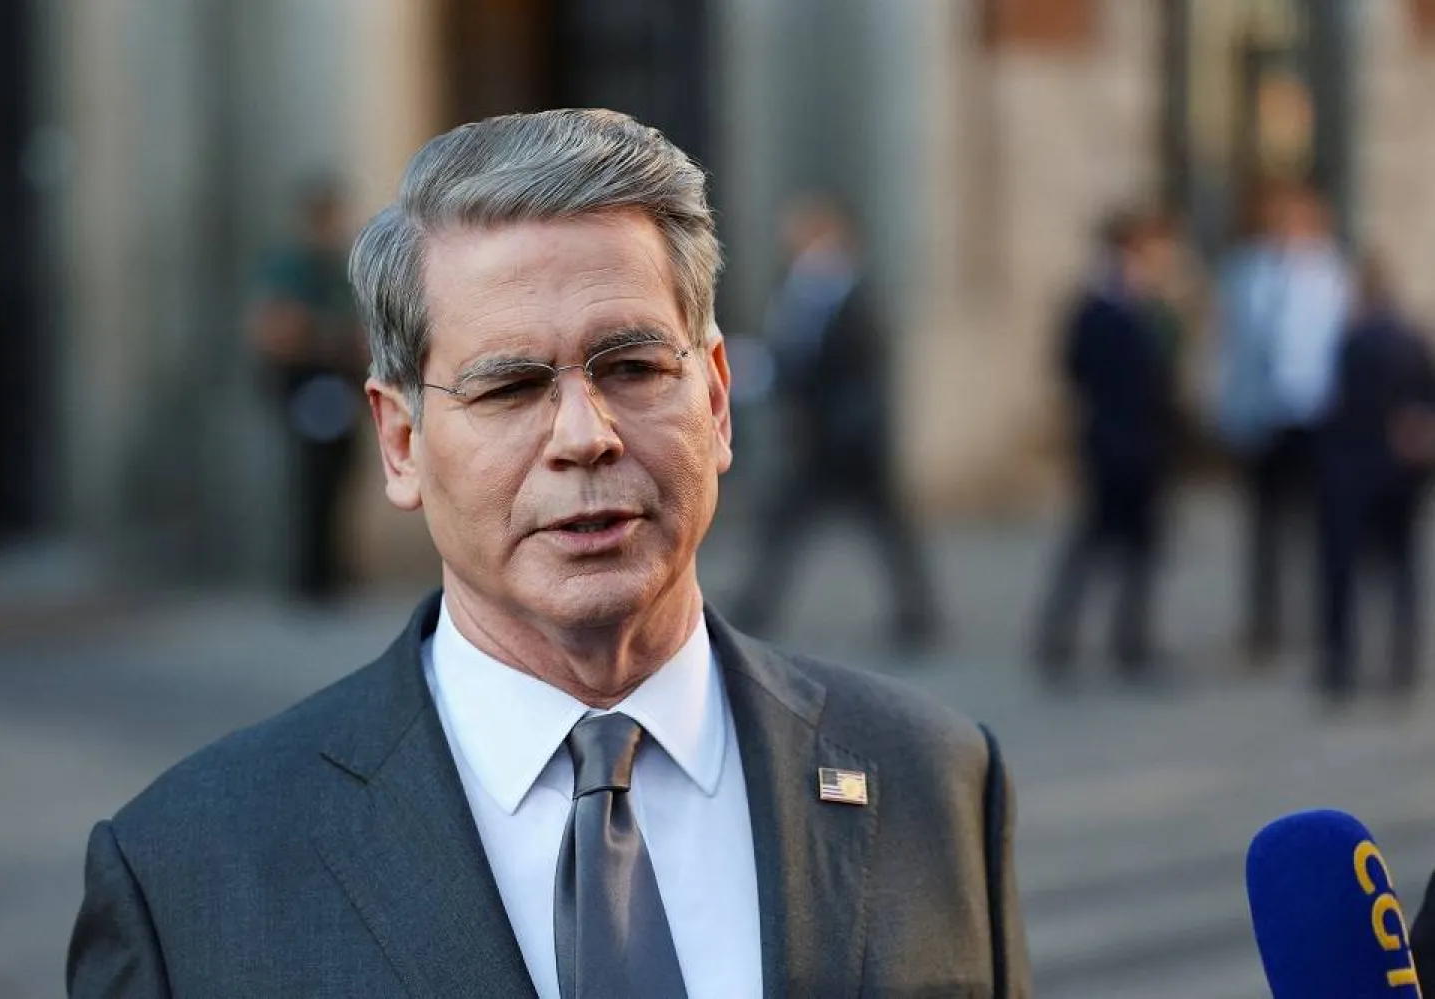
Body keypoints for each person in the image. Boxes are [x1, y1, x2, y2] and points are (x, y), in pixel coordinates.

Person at [67, 110, 1032, 998]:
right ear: (400, 442)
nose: (585, 433)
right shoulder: (187, 874)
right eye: (509, 389)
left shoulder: (935, 782)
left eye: (634, 367)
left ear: (718, 399)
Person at [729, 193, 941, 650]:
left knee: (885, 529)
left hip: (853, 444)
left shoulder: (850, 293)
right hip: (817, 439)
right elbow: (795, 358)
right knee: (788, 523)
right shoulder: (797, 290)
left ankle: (918, 613)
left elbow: (865, 371)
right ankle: (755, 604)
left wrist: (856, 427)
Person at [1034, 209, 1179, 681]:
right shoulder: (1100, 305)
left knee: (1137, 549)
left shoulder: (1149, 304)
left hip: (1145, 441)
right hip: (1113, 441)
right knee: (1094, 543)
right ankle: (1060, 637)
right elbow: (1076, 366)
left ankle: (1129, 641)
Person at [1214, 183, 1353, 663]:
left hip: (1313, 412)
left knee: (1318, 525)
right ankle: (1264, 623)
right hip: (1261, 413)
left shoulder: (1330, 273)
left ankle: (1322, 619)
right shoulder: (1247, 271)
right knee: (1264, 526)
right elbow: (1231, 344)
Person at [1314, 255, 1435, 705]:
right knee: (1401, 572)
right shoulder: (1412, 340)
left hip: (1353, 472)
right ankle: (1401, 663)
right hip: (1399, 475)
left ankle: (1340, 664)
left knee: (1343, 574)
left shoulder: (1350, 342)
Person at [247, 176, 368, 602]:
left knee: (341, 473)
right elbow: (279, 329)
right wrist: (329, 339)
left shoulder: (340, 263)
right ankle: (311, 576)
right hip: (310, 382)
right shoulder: (292, 266)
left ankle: (334, 568)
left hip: (341, 382)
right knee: (312, 477)